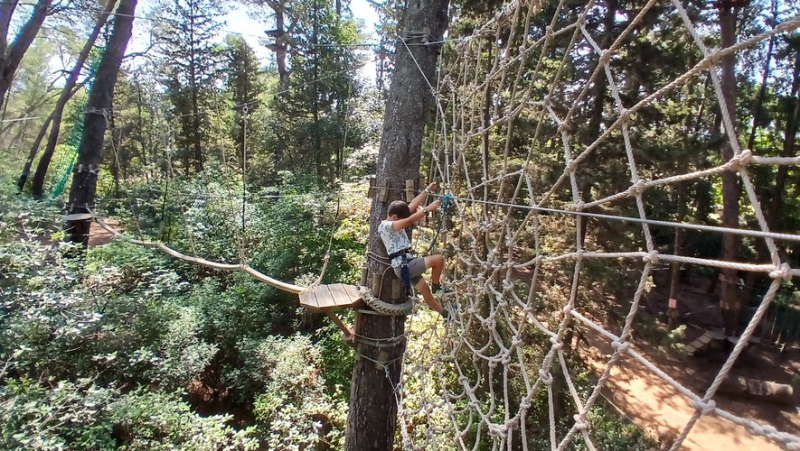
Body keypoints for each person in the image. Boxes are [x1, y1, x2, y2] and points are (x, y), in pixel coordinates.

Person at [378, 181, 451, 318]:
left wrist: (427, 191)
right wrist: (427, 209)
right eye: (400, 218)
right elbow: (408, 221)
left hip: (405, 265)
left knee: (425, 290)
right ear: (394, 217)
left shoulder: (394, 218)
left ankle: (444, 314)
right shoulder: (386, 226)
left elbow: (411, 207)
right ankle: (436, 285)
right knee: (438, 259)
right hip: (403, 265)